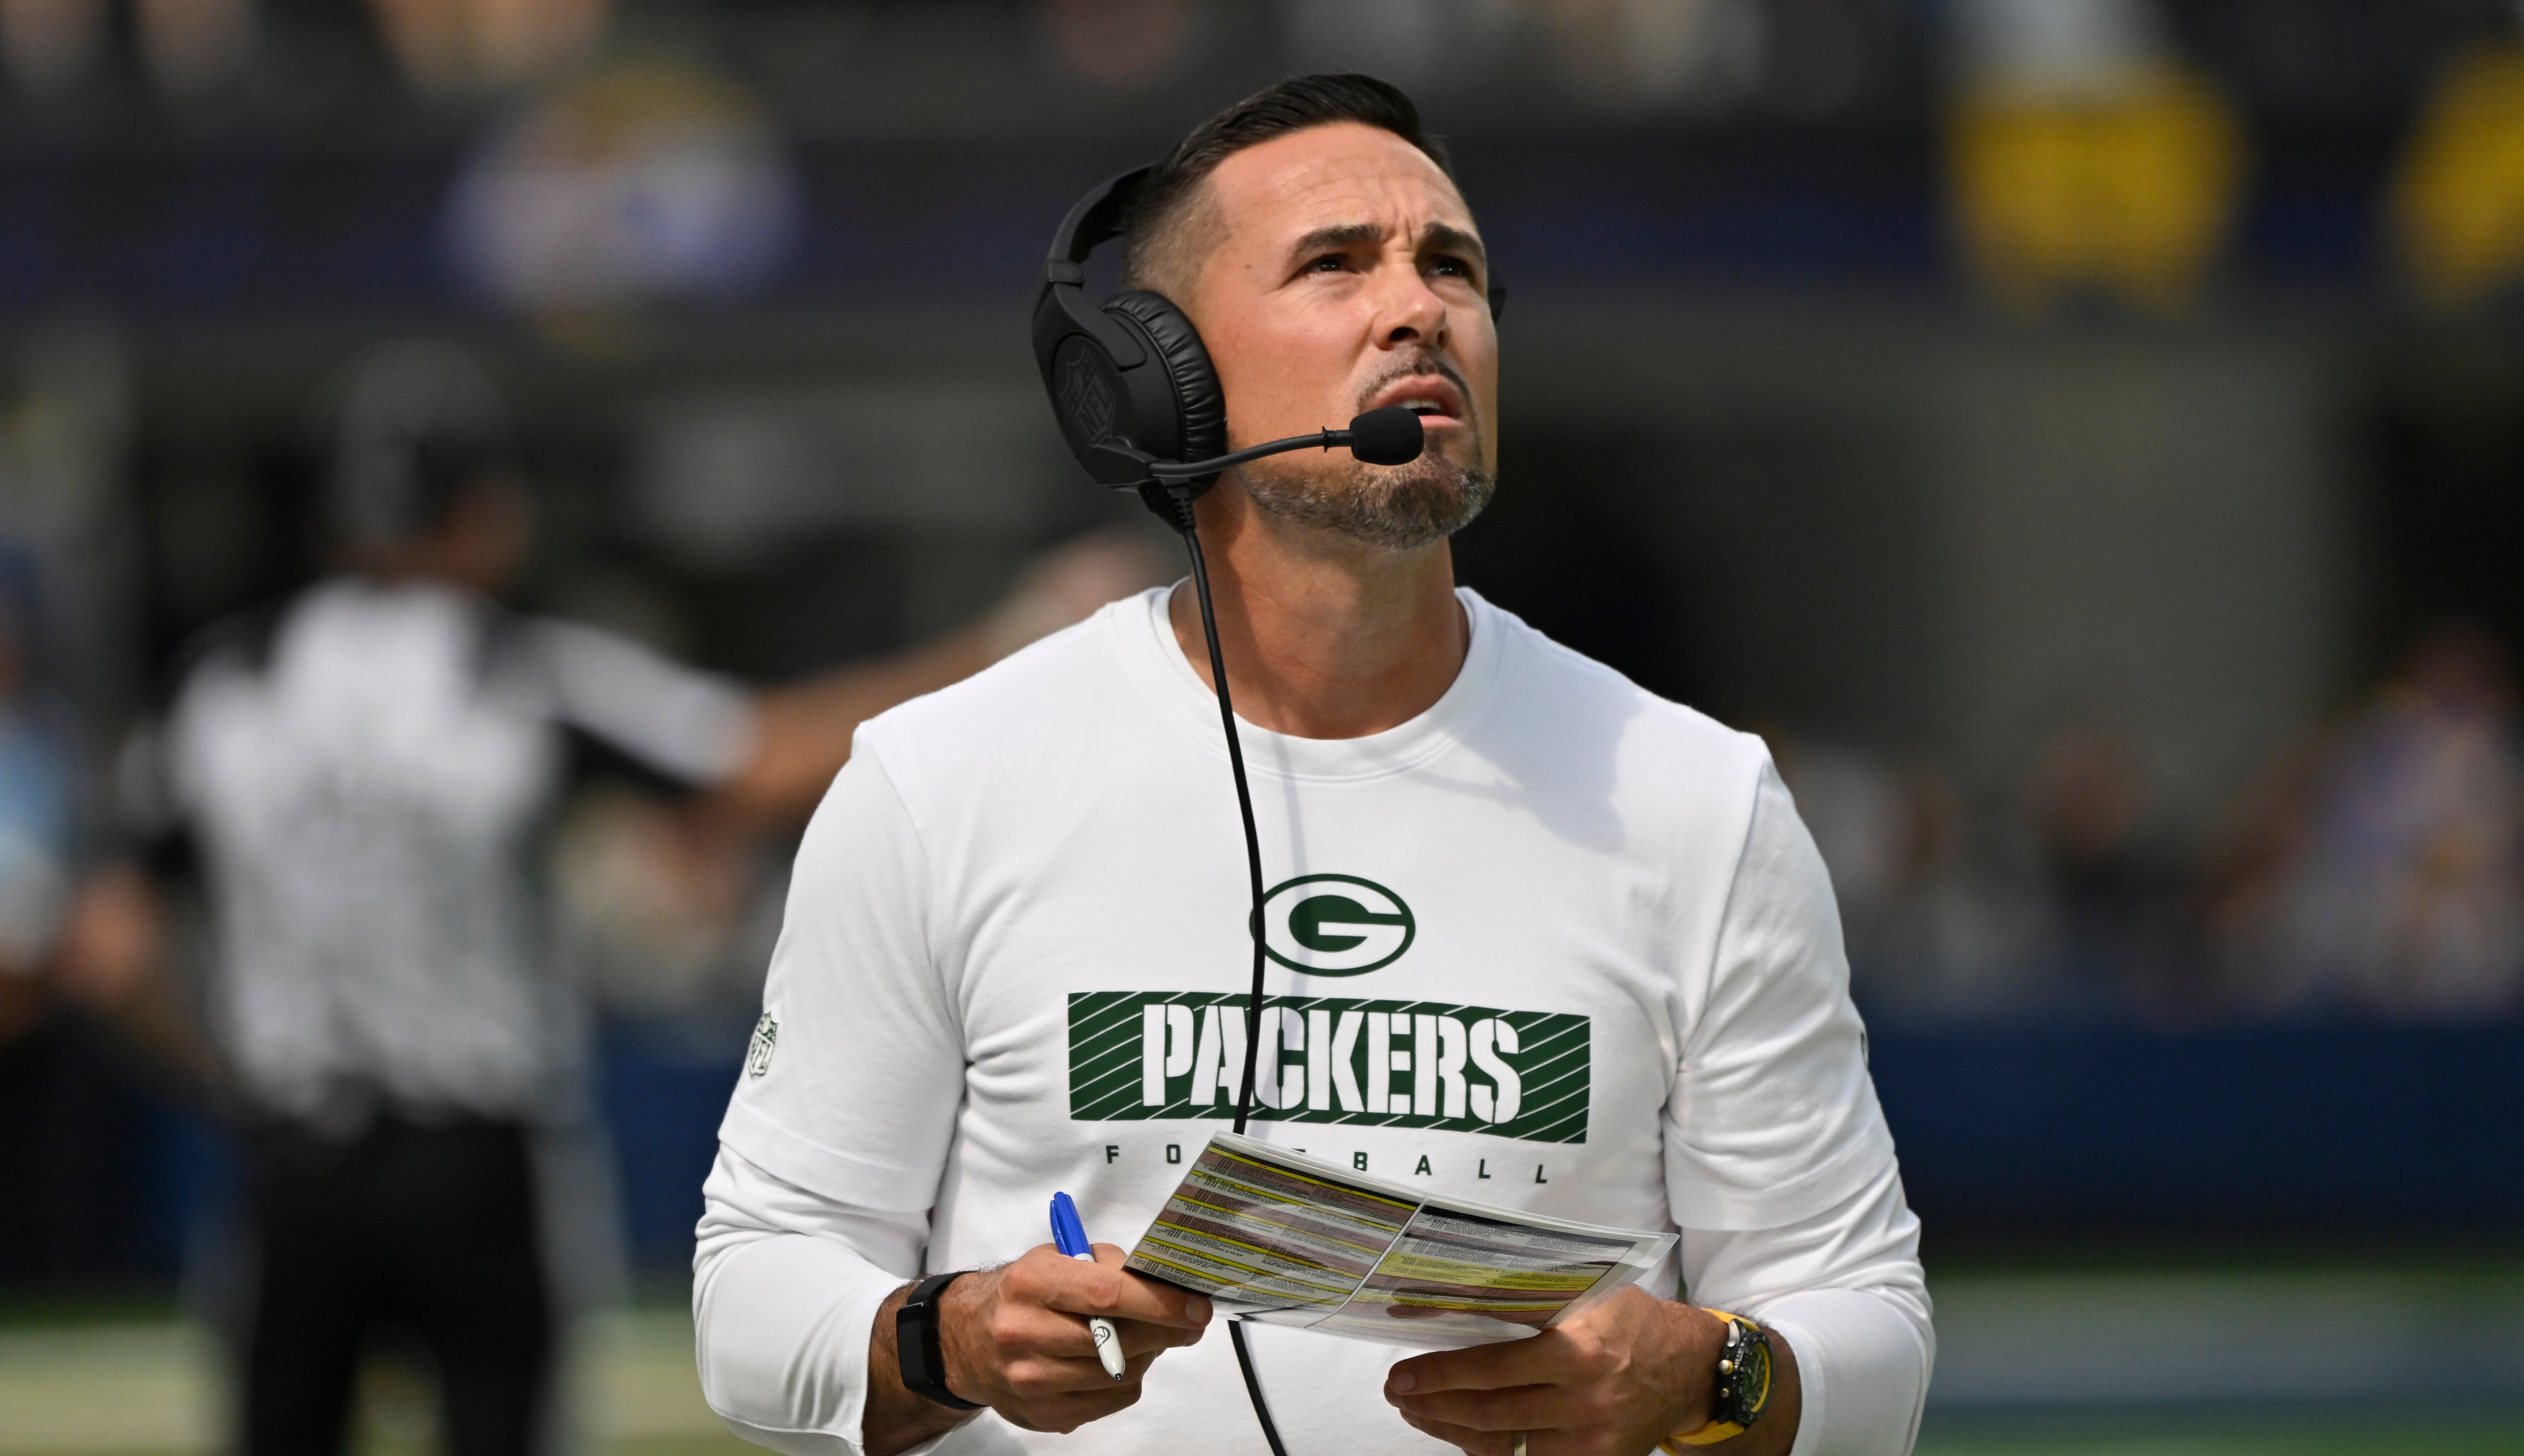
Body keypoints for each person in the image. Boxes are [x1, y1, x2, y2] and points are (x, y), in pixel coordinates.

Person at [691, 75, 1932, 1456]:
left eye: (1450, 264)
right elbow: (752, 1298)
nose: (1420, 309)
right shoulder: (940, 781)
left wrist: (1719, 1374)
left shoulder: (1696, 798)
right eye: (1335, 264)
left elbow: (1865, 1320)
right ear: (1163, 379)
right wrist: (953, 1337)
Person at [69, 342, 1157, 1456]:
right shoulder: (515, 672)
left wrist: (227, 1079)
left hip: (289, 1157)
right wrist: (1009, 638)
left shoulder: (226, 684)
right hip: (477, 1157)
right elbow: (759, 761)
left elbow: (105, 940)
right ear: (484, 513)